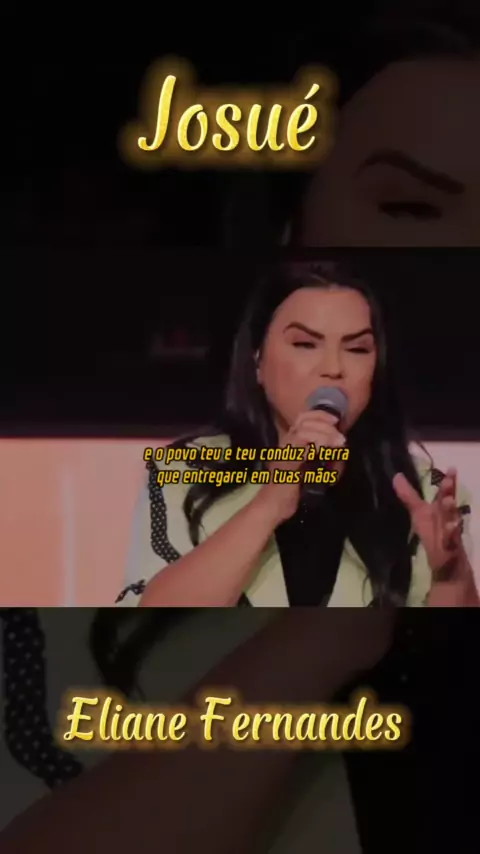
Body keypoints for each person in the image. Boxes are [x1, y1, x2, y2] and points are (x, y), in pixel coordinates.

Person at [117, 260, 477, 608]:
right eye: (305, 344)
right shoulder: (185, 469)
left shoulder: (426, 492)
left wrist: (450, 576)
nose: (333, 369)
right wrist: (272, 500)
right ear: (258, 361)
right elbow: (150, 627)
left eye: (356, 349)